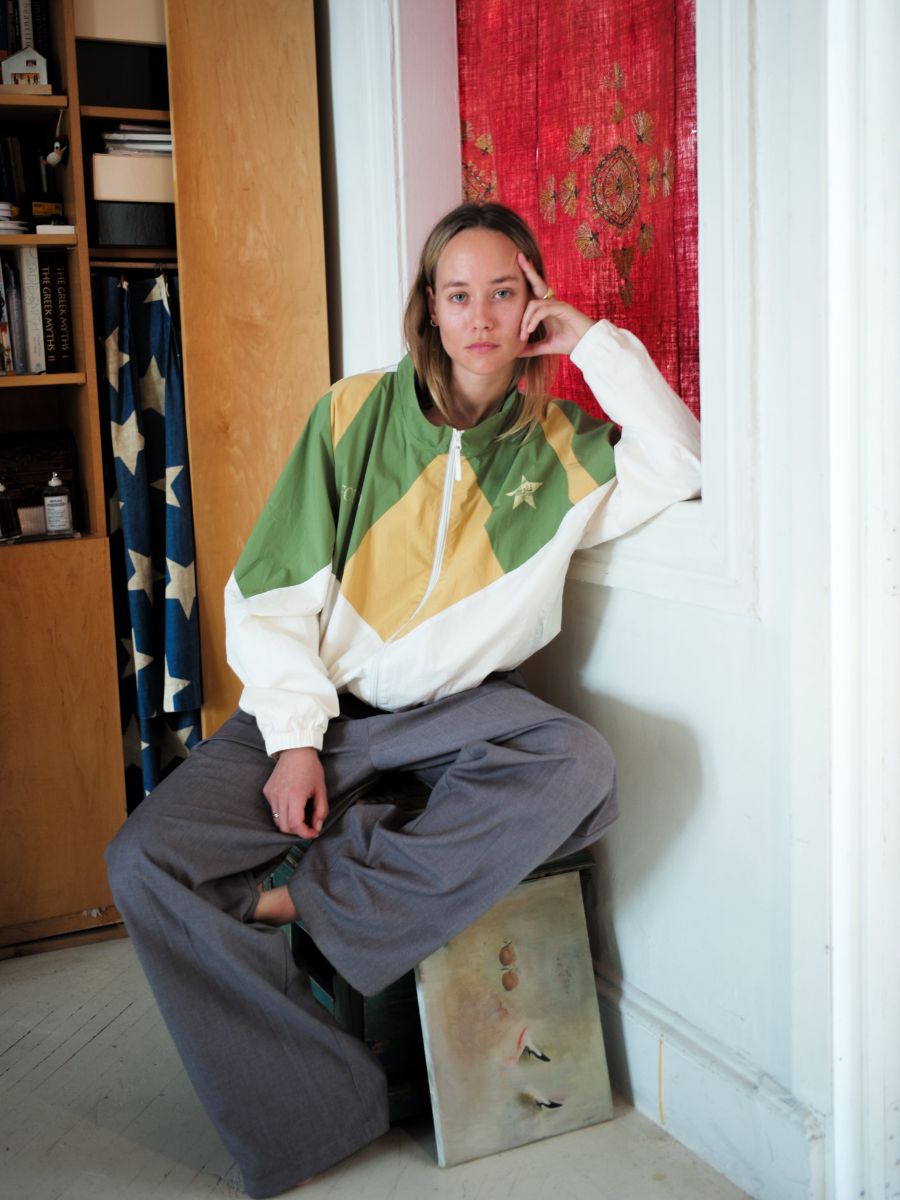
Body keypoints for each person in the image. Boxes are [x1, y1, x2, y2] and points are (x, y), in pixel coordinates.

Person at [106, 201, 700, 1197]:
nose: (480, 317)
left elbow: (680, 460)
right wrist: (295, 737)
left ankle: (313, 899)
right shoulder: (353, 414)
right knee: (143, 860)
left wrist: (594, 340)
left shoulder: (563, 447)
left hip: (456, 714)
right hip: (320, 710)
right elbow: (271, 592)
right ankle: (318, 1109)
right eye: (457, 294)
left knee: (579, 769)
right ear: (428, 306)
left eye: (503, 294)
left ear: (532, 302)